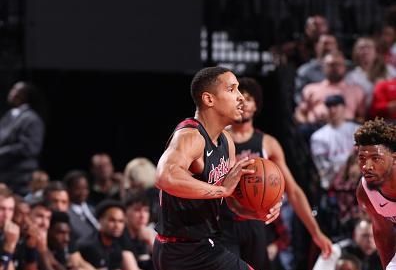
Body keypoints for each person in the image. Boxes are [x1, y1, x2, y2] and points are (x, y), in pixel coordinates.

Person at [153, 66, 281, 270]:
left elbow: (229, 201)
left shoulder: (226, 141)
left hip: (203, 244)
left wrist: (255, 212)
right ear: (209, 99)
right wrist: (222, 189)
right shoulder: (190, 136)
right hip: (181, 251)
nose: (241, 97)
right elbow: (164, 177)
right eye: (232, 90)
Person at [222, 77, 332, 270]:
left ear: (256, 105)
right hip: (221, 221)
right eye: (238, 97)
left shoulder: (268, 143)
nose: (243, 102)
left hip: (255, 223)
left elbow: (294, 191)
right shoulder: (219, 138)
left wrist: (316, 232)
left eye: (248, 98)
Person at [355, 118, 396, 269]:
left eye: (375, 158)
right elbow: (383, 234)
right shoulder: (365, 193)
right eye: (362, 158)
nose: (367, 166)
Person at [0, 82, 45, 195]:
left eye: (15, 90)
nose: (11, 92)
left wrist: (2, 152)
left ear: (24, 95)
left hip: (20, 178)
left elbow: (30, 148)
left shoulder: (32, 119)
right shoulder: (9, 115)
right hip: (4, 174)